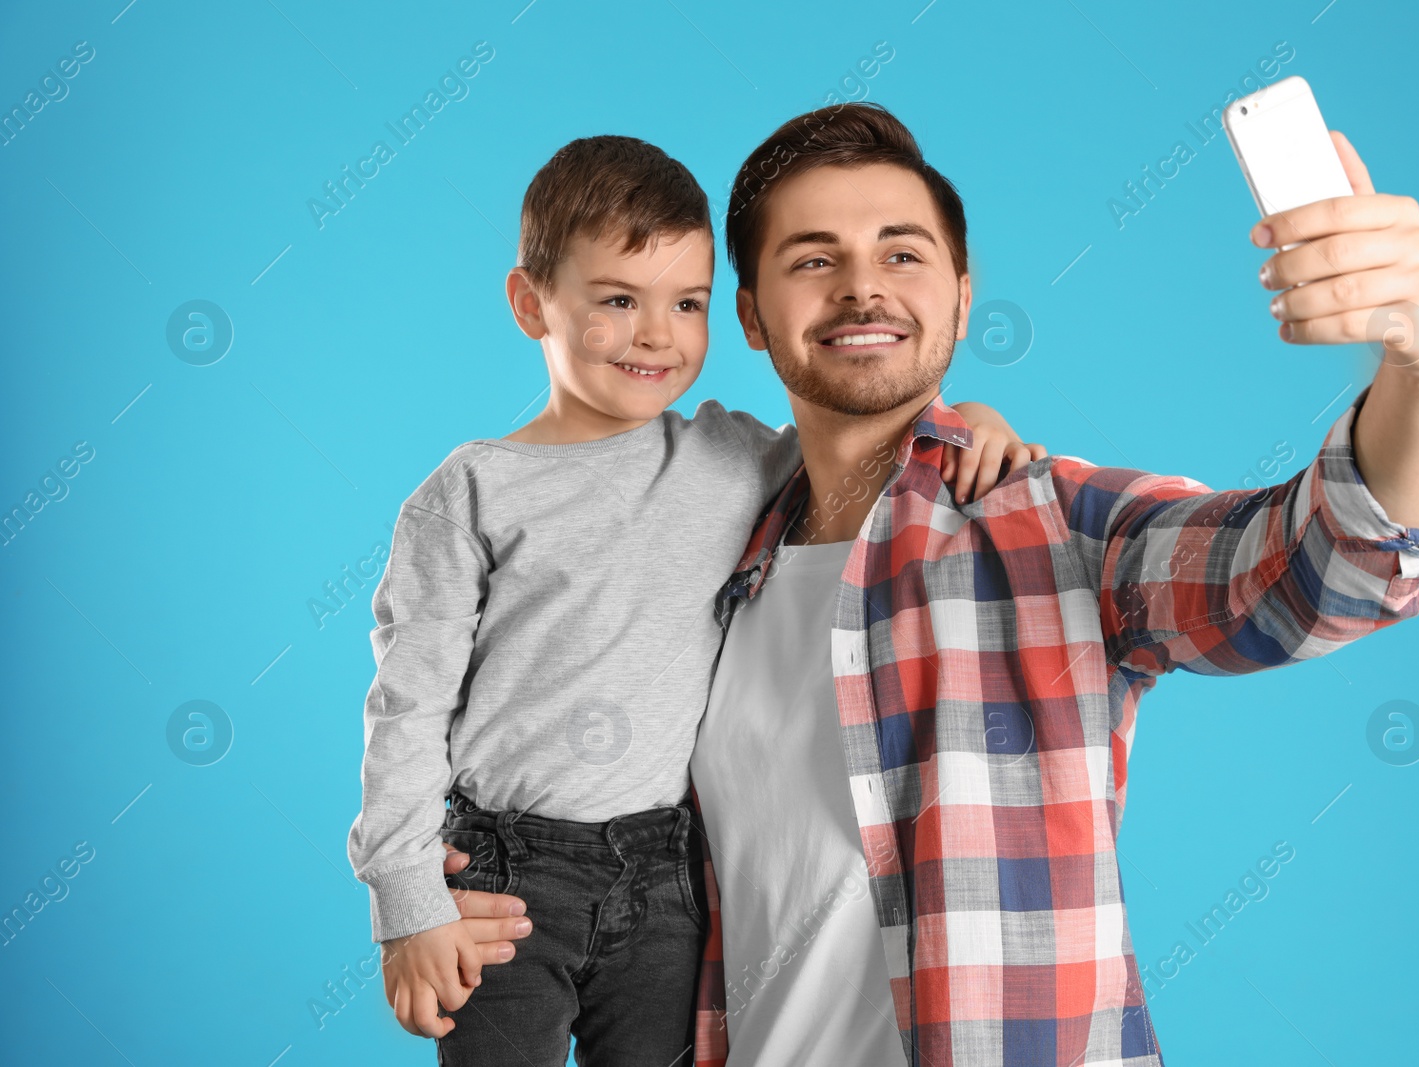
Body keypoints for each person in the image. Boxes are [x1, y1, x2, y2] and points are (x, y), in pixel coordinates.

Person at [446, 102, 1419, 1066]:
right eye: (816, 260)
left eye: (902, 252)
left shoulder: (1050, 523)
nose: (863, 287)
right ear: (751, 316)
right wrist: (465, 872)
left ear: (960, 294)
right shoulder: (715, 550)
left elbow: (1309, 566)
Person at [346, 133, 1040, 1066]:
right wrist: (407, 904)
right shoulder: (471, 490)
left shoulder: (733, 453)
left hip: (670, 875)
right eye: (618, 301)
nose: (657, 334)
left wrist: (974, 422)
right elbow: (406, 705)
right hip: (510, 880)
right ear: (529, 303)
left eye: (689, 304)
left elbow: (877, 433)